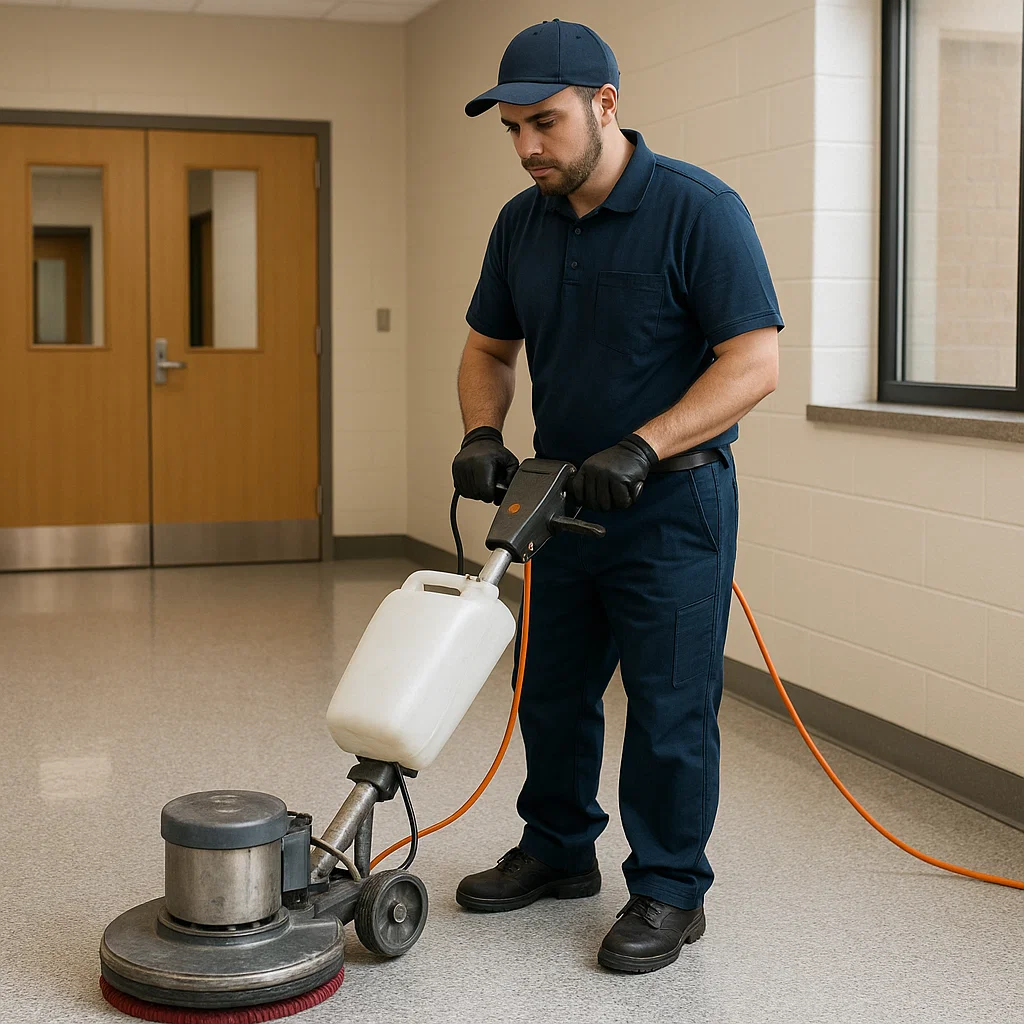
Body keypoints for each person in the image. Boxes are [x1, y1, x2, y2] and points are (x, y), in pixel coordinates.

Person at [450, 19, 783, 974]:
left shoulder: (698, 210)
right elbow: (488, 348)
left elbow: (753, 361)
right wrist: (482, 433)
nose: (527, 148)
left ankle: (672, 888)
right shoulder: (521, 222)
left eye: (544, 123)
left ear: (605, 105)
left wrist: (646, 443)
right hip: (557, 502)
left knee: (670, 705)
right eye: (513, 129)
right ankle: (558, 850)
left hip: (672, 505)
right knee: (552, 691)